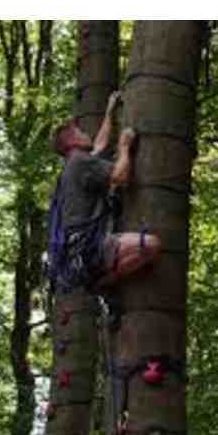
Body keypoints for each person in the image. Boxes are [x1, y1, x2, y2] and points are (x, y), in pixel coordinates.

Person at [49, 91, 161, 295]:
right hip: (90, 246)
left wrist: (110, 110)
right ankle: (104, 281)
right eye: (80, 132)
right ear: (72, 141)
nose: (86, 134)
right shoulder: (80, 162)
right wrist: (124, 147)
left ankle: (99, 277)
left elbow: (99, 145)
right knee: (151, 245)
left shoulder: (74, 164)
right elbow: (120, 177)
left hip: (79, 249)